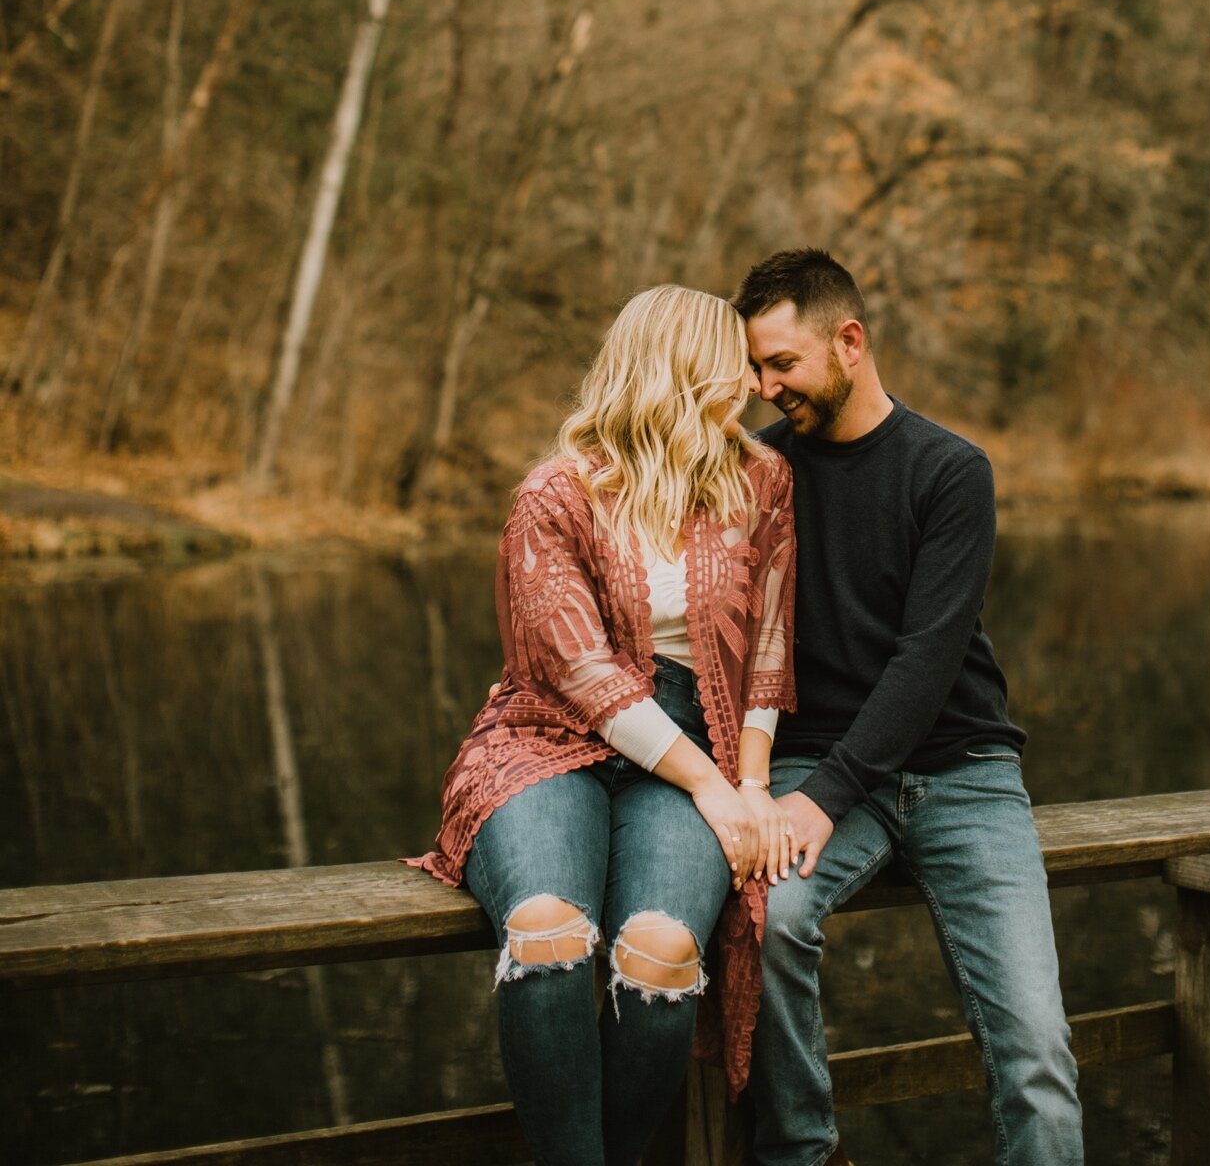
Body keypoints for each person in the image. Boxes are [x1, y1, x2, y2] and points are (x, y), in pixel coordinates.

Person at [411, 284, 798, 1166]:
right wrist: (712, 786)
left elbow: (770, 647)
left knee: (660, 952)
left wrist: (749, 781)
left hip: (701, 730)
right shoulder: (556, 494)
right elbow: (580, 672)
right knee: (547, 931)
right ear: (682, 369)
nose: (751, 379)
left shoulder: (760, 480)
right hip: (548, 739)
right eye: (732, 359)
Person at [734, 249, 1083, 1166]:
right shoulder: (758, 472)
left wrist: (821, 797)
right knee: (767, 921)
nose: (766, 387)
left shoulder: (950, 470)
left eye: (783, 364)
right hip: (818, 767)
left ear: (849, 341)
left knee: (1037, 1051)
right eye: (756, 368)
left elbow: (927, 660)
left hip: (962, 771)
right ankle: (805, 1155)